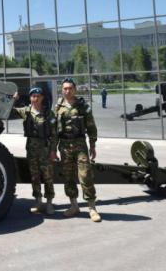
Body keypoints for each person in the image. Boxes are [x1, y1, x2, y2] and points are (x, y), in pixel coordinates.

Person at [55, 77, 101, 222]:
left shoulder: (82, 106)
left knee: (86, 175)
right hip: (64, 145)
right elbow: (54, 129)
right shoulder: (58, 107)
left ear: (75, 89)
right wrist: (52, 149)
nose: (67, 91)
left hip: (80, 144)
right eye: (65, 88)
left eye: (70, 88)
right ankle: (74, 206)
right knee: (68, 177)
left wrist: (93, 144)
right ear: (62, 90)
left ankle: (92, 208)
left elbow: (91, 126)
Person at [12, 87, 57, 215]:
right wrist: (13, 100)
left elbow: (54, 134)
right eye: (33, 96)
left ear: (42, 98)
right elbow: (9, 111)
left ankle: (49, 203)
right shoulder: (25, 111)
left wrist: (53, 150)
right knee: (35, 176)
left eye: (38, 96)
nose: (35, 99)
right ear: (30, 98)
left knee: (48, 176)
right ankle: (38, 202)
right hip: (31, 149)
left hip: (45, 149)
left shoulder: (49, 114)